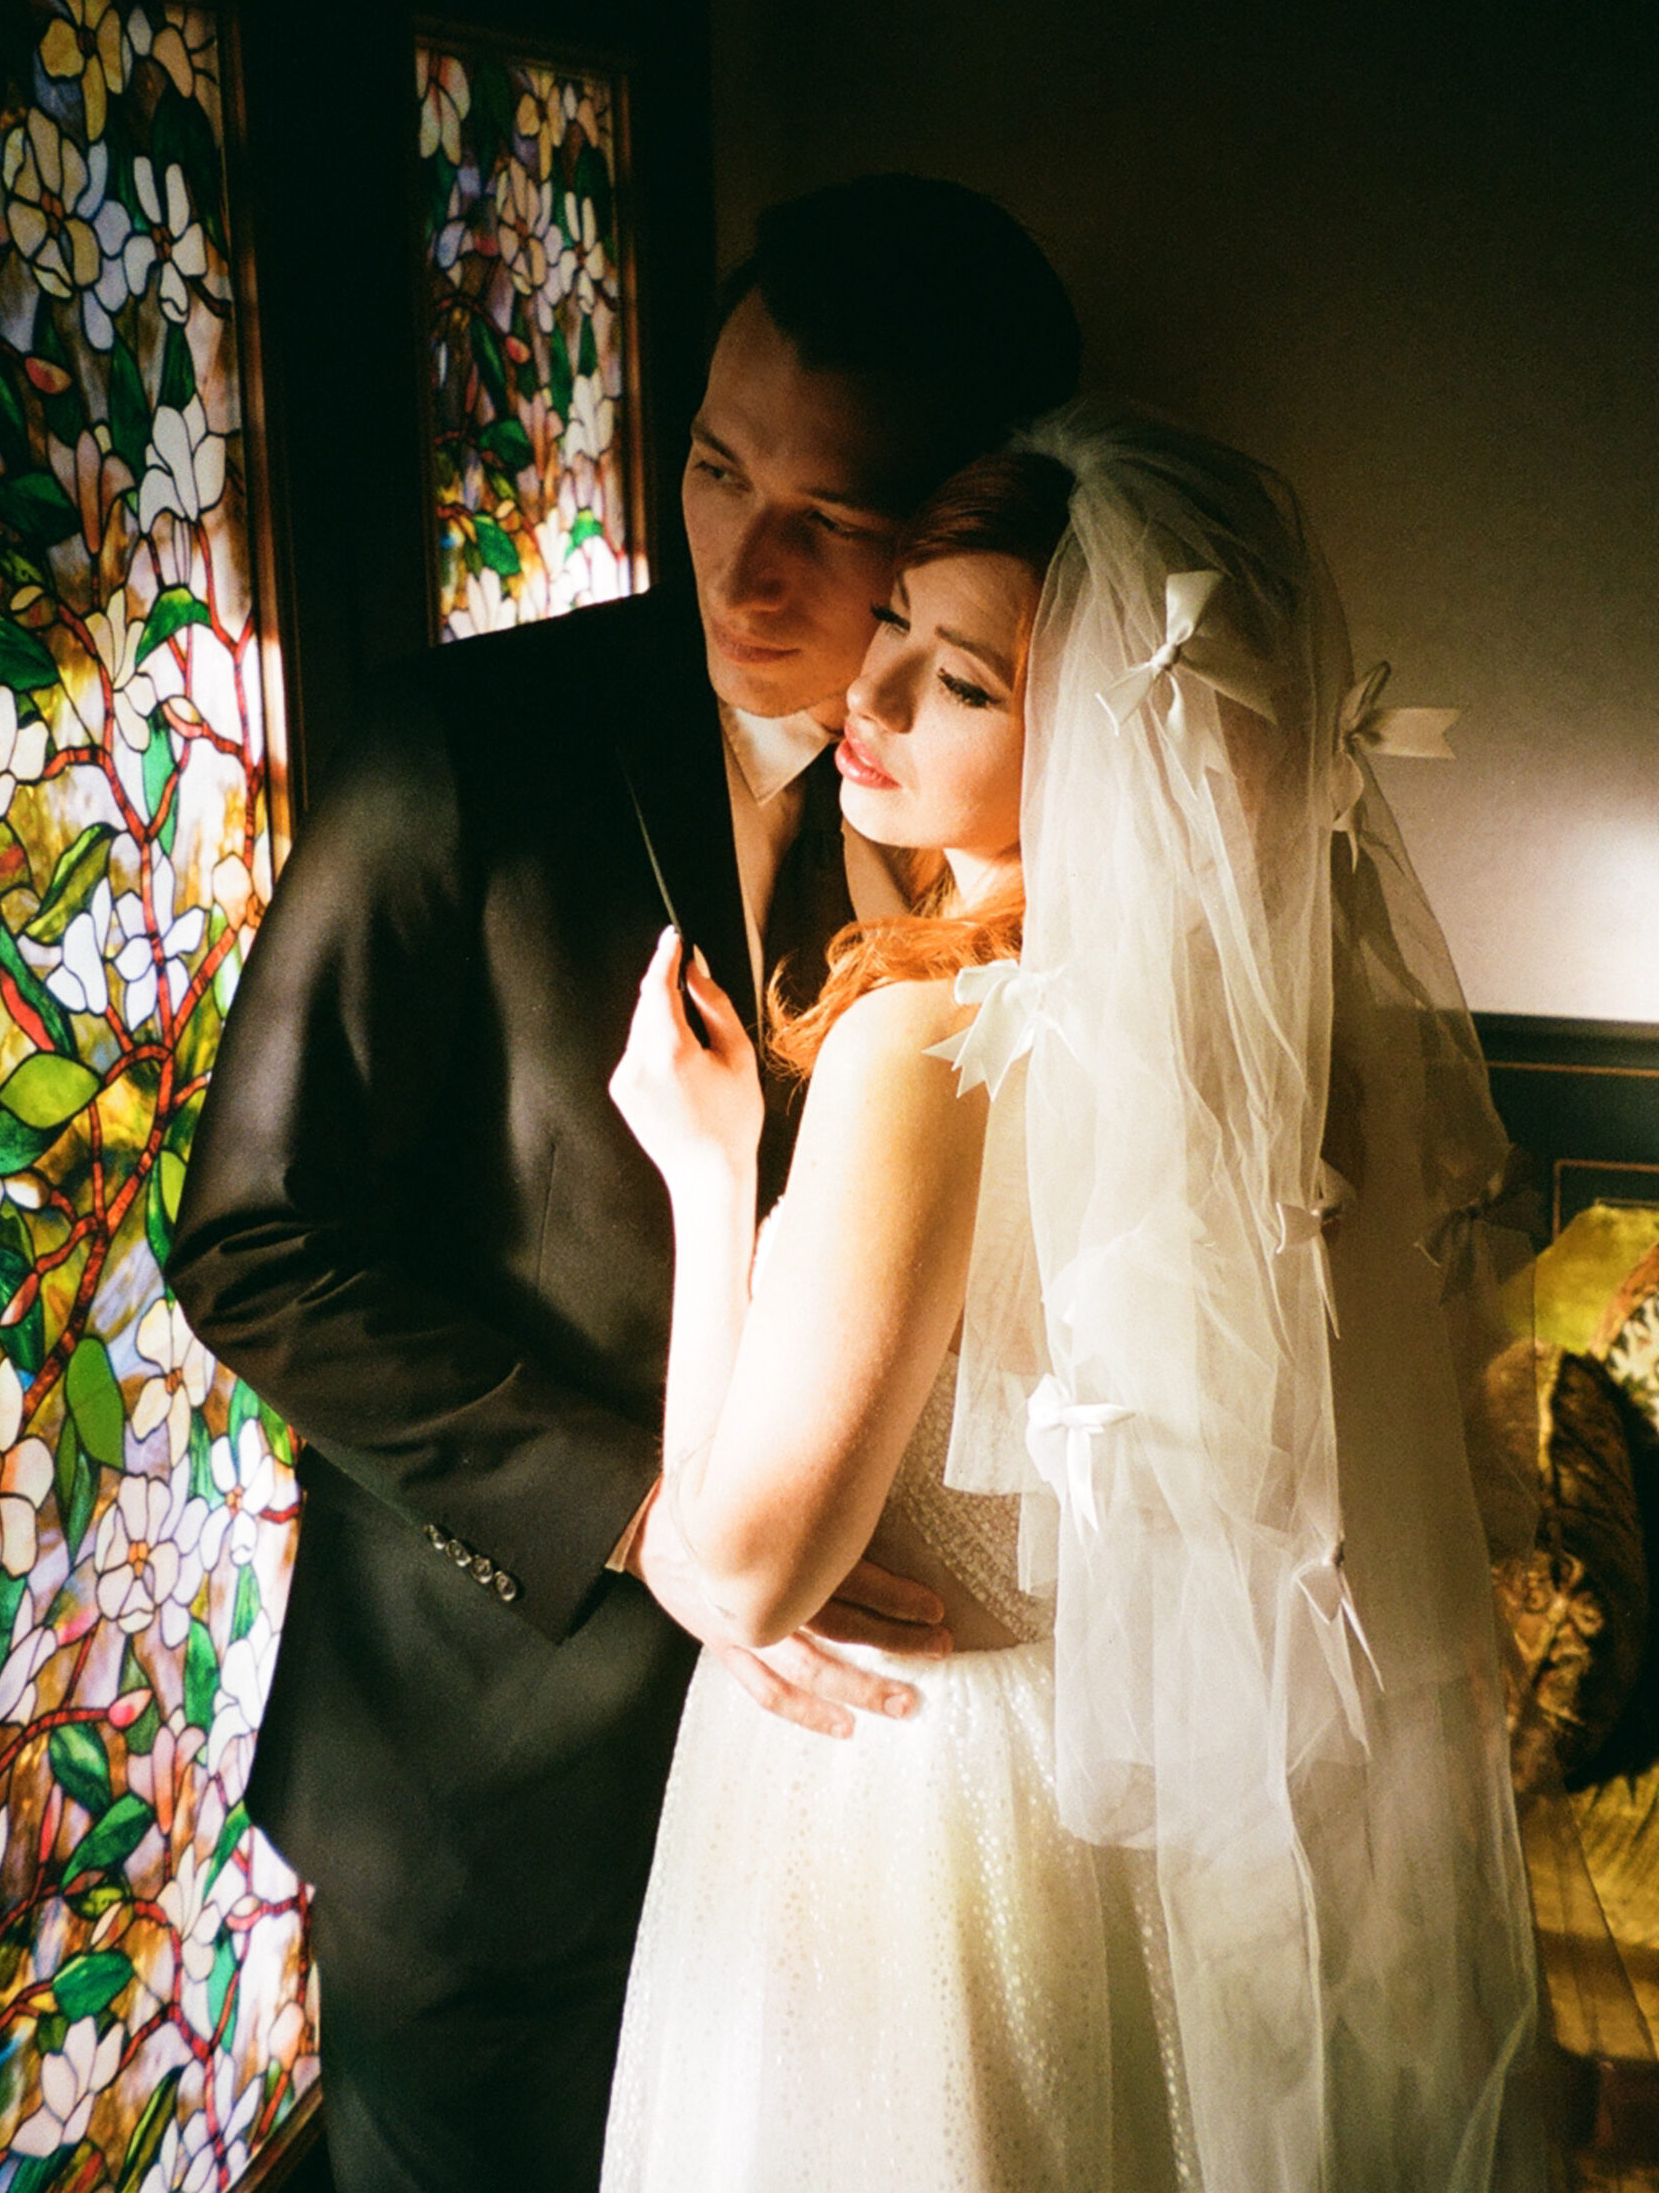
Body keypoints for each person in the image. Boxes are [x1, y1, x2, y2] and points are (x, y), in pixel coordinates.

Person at [166, 176, 1083, 2193]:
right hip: (490, 1777)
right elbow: (251, 1243)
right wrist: (649, 1513)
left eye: (832, 520)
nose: (743, 564)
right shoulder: (458, 749)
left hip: (867, 1822)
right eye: (712, 468)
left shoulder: (1041, 830)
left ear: (966, 518)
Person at [601, 414, 1546, 2191]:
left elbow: (740, 1570)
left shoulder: (925, 1044)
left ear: (1119, 734)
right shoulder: (1266, 1051)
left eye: (956, 683)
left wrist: (709, 1174)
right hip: (1130, 1818)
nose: (865, 704)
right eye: (890, 632)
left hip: (910, 1826)